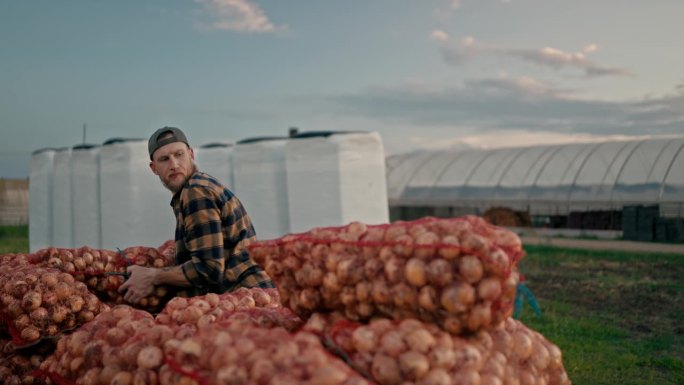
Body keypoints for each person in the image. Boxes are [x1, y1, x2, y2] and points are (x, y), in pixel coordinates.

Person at [119, 127, 275, 304]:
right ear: (153, 168)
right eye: (164, 159)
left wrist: (152, 276)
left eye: (179, 155)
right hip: (253, 298)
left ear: (191, 154)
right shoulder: (196, 187)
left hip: (248, 303)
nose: (174, 164)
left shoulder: (196, 192)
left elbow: (208, 269)